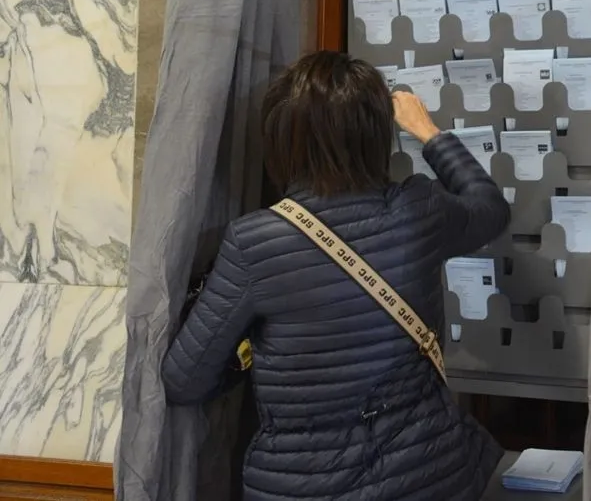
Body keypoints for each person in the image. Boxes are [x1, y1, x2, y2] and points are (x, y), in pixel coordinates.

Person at [161, 50, 510, 500]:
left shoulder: (255, 242)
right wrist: (429, 133)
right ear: (374, 134)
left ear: (282, 137)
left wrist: (254, 354)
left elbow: (183, 380)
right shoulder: (419, 210)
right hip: (430, 476)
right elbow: (491, 210)